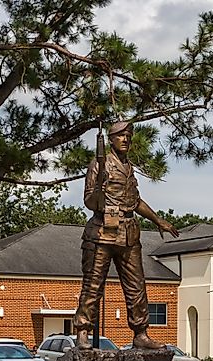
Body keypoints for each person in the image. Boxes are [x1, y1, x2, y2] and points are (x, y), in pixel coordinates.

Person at [73, 121, 179, 349]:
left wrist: (158, 220)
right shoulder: (99, 165)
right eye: (121, 136)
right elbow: (89, 201)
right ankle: (82, 331)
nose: (126, 140)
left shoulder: (128, 167)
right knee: (93, 285)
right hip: (101, 233)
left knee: (136, 286)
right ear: (111, 140)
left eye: (129, 136)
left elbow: (135, 201)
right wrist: (99, 191)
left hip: (129, 233)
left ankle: (141, 333)